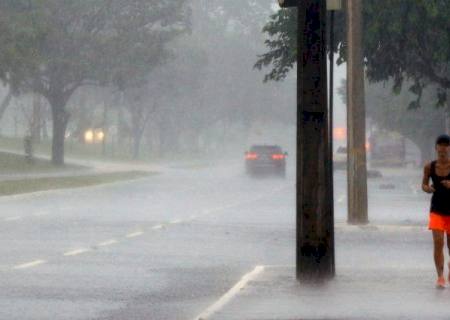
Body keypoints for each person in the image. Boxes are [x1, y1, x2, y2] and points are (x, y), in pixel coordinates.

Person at [422, 134, 450, 288]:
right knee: (438, 242)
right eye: (440, 149)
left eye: (445, 148)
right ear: (436, 149)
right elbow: (424, 185)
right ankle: (440, 276)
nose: (443, 151)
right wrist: (428, 189)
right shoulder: (429, 167)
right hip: (437, 209)